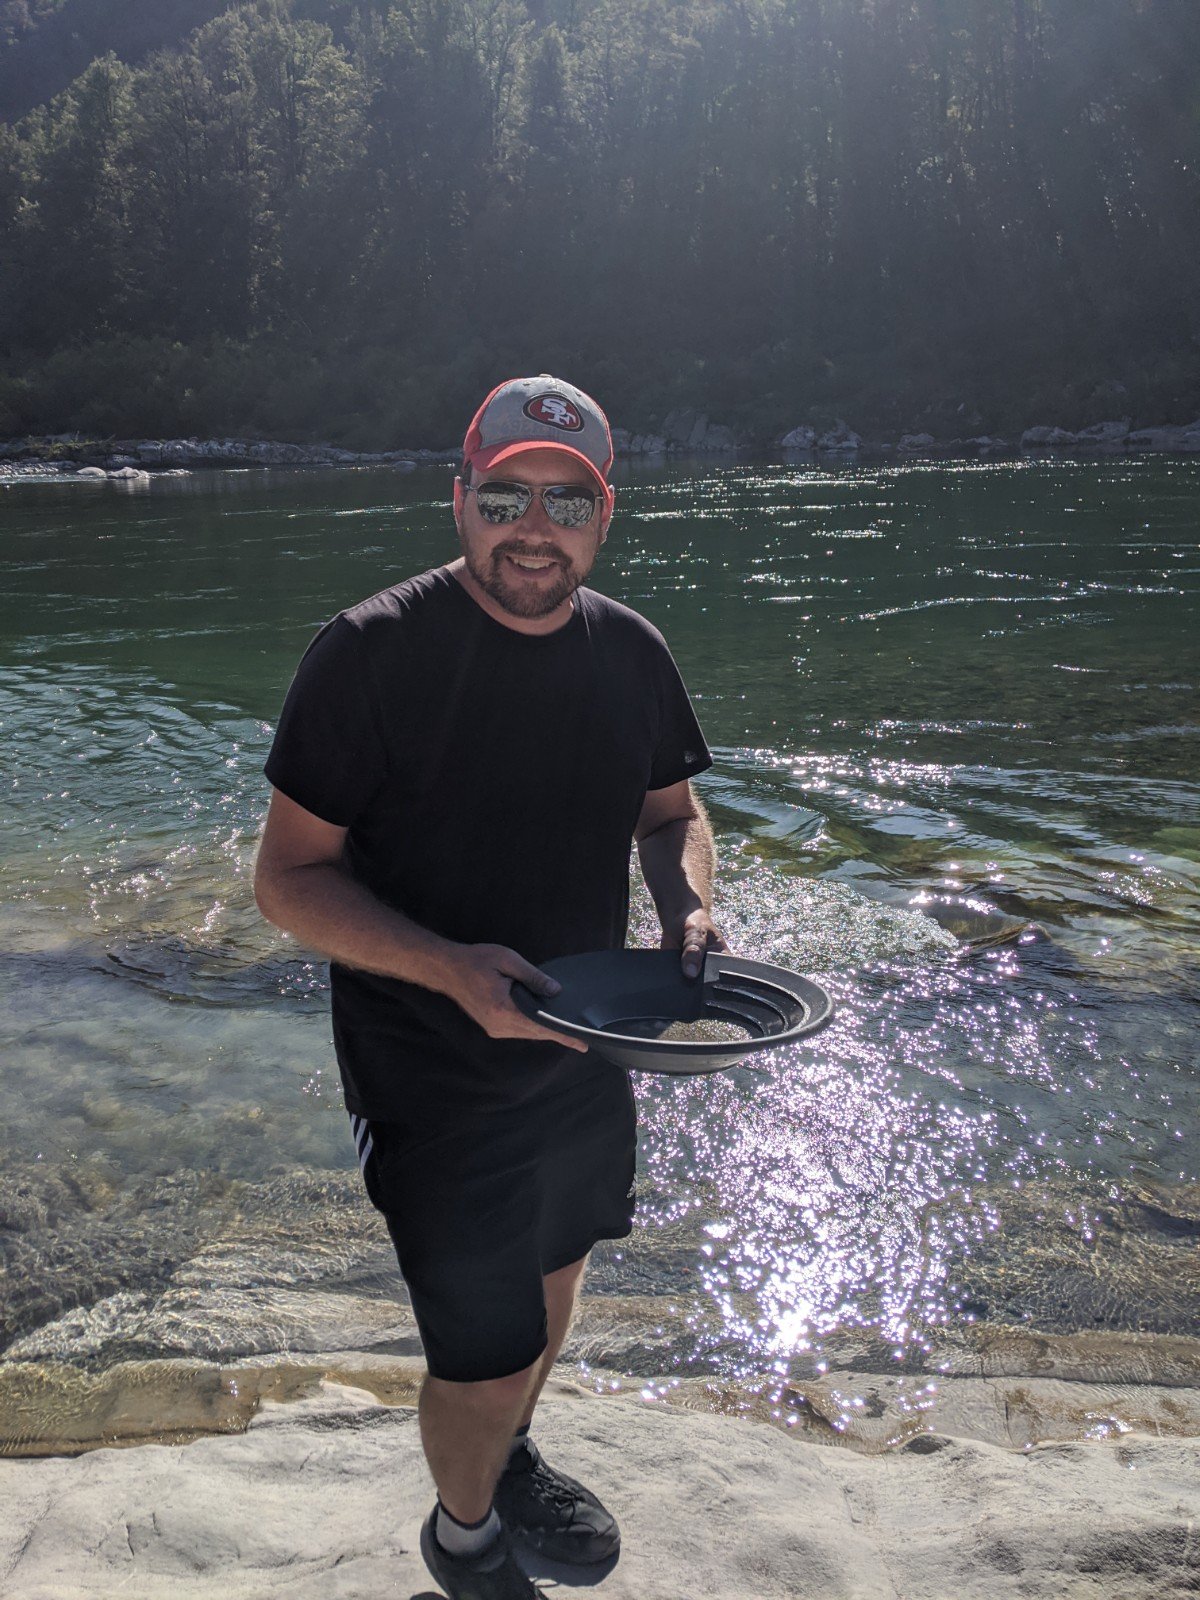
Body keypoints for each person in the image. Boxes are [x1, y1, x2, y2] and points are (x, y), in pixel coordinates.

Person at [255, 374, 725, 1599]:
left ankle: (509, 1457)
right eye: (508, 495)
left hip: (585, 1044)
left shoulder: (632, 652)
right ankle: (463, 1539)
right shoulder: (370, 654)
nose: (535, 527)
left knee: (558, 1279)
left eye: (566, 500)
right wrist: (450, 968)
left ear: (604, 515)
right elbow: (287, 880)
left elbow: (671, 815)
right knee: (484, 1350)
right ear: (459, 497)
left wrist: (687, 906)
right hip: (427, 1067)